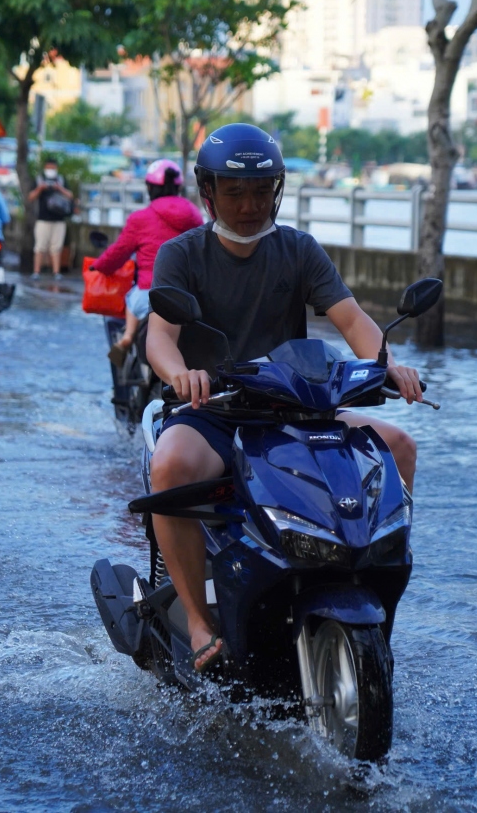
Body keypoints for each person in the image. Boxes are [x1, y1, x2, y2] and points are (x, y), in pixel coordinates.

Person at [145, 123, 424, 673]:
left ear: (276, 190)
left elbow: (352, 319)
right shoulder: (181, 255)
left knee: (398, 446)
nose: (248, 205)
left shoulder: (298, 249)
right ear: (208, 192)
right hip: (213, 411)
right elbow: (160, 336)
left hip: (296, 405)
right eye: (234, 191)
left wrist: (389, 366)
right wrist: (181, 375)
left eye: (259, 191)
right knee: (172, 466)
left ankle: (369, 588)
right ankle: (200, 621)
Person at [91, 159, 202, 366]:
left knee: (133, 299)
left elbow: (119, 252)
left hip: (150, 292)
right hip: (190, 295)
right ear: (177, 187)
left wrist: (99, 265)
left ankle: (127, 338)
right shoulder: (194, 215)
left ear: (150, 187)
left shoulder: (141, 218)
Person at [27, 158, 74, 280]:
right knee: (40, 246)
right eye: (49, 167)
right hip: (43, 219)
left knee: (56, 247)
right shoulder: (39, 179)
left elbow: (70, 196)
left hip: (59, 219)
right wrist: (40, 188)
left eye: (53, 168)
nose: (50, 170)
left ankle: (56, 272)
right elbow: (31, 197)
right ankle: (36, 271)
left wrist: (60, 188)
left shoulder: (61, 180)